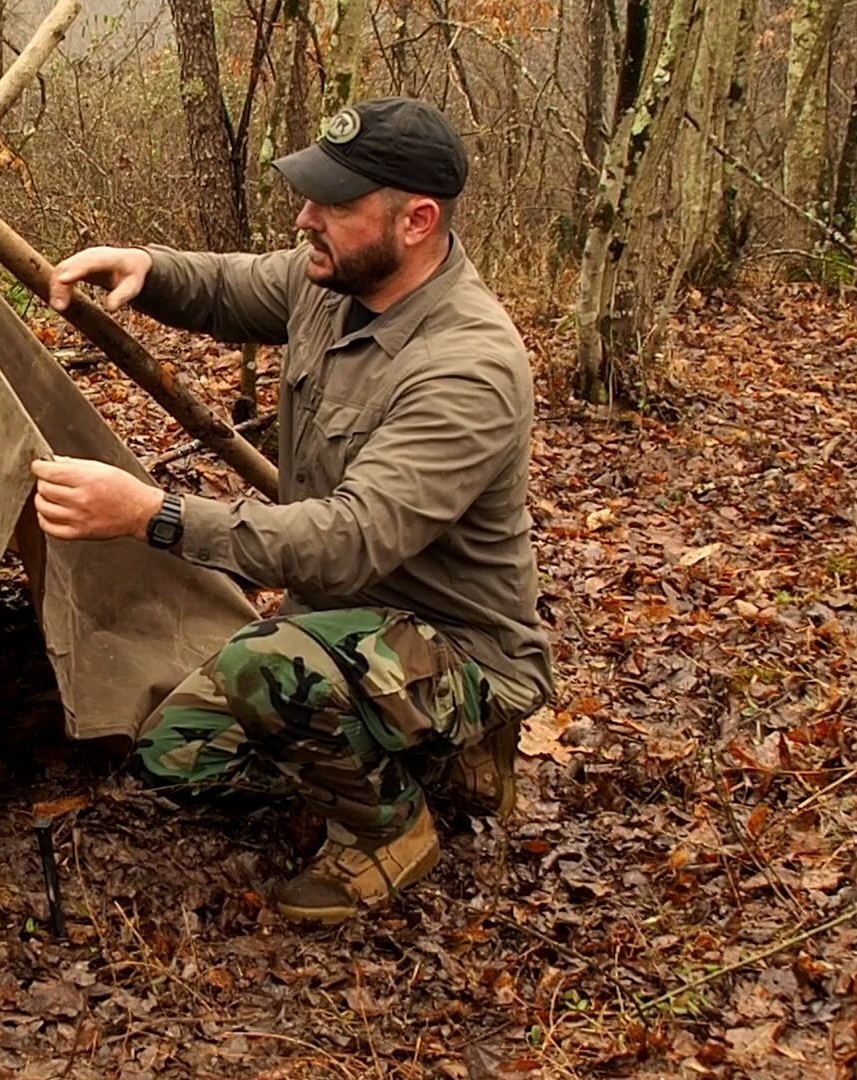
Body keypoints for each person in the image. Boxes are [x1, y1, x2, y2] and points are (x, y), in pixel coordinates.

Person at [29, 97, 554, 924]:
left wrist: (154, 514)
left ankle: (392, 829)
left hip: (455, 649)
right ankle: (411, 753)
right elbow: (235, 284)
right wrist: (146, 265)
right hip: (342, 626)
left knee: (266, 667)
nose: (306, 217)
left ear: (416, 220)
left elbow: (347, 542)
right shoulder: (335, 281)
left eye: (336, 205)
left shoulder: (466, 368)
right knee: (178, 758)